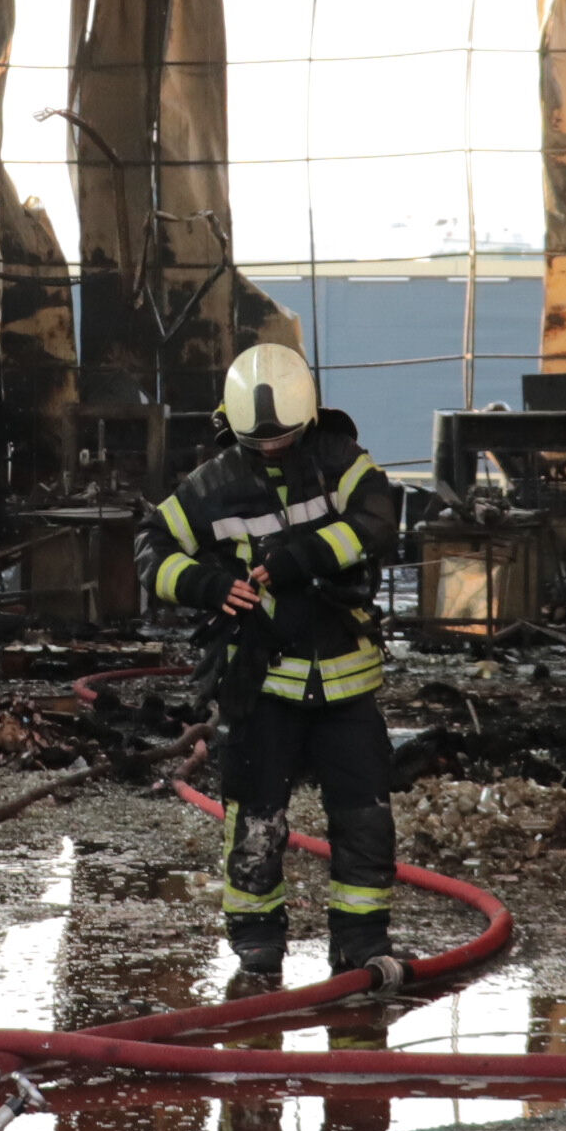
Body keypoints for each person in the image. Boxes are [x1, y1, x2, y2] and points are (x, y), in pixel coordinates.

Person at [133, 342, 408, 986]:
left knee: (364, 815)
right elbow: (150, 547)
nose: (274, 447)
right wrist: (203, 584)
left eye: (284, 436)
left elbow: (377, 520)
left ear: (306, 416)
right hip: (259, 685)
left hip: (346, 681)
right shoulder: (214, 483)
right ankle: (258, 951)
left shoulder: (340, 458)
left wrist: (299, 556)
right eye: (260, 440)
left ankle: (362, 943)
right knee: (255, 820)